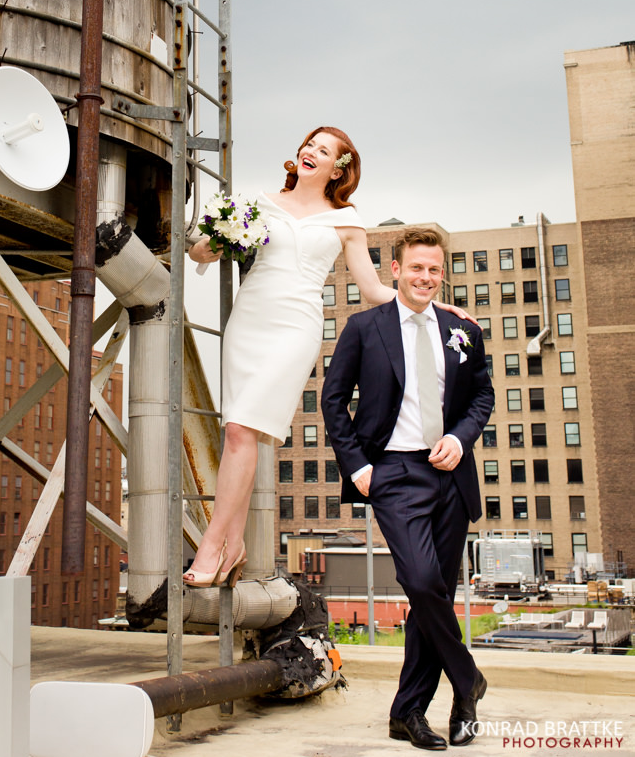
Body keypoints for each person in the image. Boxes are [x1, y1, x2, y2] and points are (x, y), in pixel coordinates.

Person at [184, 128, 475, 590]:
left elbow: (376, 290)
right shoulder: (258, 201)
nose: (309, 152)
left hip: (295, 327)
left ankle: (212, 544)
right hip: (250, 320)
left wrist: (437, 306)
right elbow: (200, 250)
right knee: (240, 432)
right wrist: (221, 233)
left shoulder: (347, 220)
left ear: (338, 167)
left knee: (242, 430)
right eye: (308, 145)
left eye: (322, 150)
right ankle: (233, 542)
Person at [322, 227, 494, 750]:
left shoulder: (460, 329)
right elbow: (333, 401)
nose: (425, 277)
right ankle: (468, 679)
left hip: (449, 473)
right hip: (392, 474)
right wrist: (357, 467)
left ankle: (411, 713)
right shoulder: (364, 328)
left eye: (434, 270)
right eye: (416, 268)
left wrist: (461, 440)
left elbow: (481, 395)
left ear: (442, 274)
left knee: (433, 598)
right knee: (420, 582)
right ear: (395, 270)